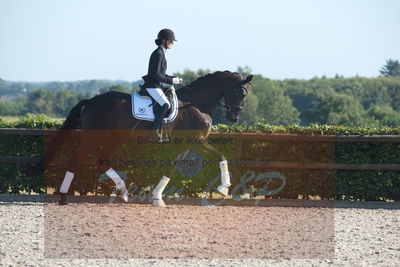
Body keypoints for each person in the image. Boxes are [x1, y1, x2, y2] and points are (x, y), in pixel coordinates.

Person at [142, 29, 183, 142]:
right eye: (171, 41)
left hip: (156, 85)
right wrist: (171, 81)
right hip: (152, 85)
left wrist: (174, 79)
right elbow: (156, 74)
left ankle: (163, 131)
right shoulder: (159, 54)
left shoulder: (161, 53)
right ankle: (154, 133)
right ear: (164, 41)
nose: (172, 43)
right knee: (165, 104)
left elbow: (162, 74)